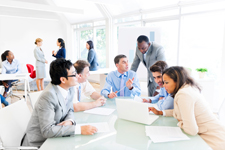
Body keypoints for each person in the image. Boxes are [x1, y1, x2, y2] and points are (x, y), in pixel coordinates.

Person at [21, 58, 98, 147]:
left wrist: (70, 121)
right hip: (39, 144)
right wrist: (79, 129)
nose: (77, 76)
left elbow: (70, 109)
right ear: (63, 80)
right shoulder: (48, 96)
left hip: (56, 138)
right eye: (74, 74)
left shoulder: (70, 88)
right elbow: (47, 131)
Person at [149, 66, 225, 150]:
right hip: (213, 133)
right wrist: (161, 112)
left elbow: (191, 130)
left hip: (213, 139)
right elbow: (181, 110)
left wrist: (181, 123)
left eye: (166, 82)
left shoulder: (183, 94)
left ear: (177, 81)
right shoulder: (187, 88)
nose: (163, 86)